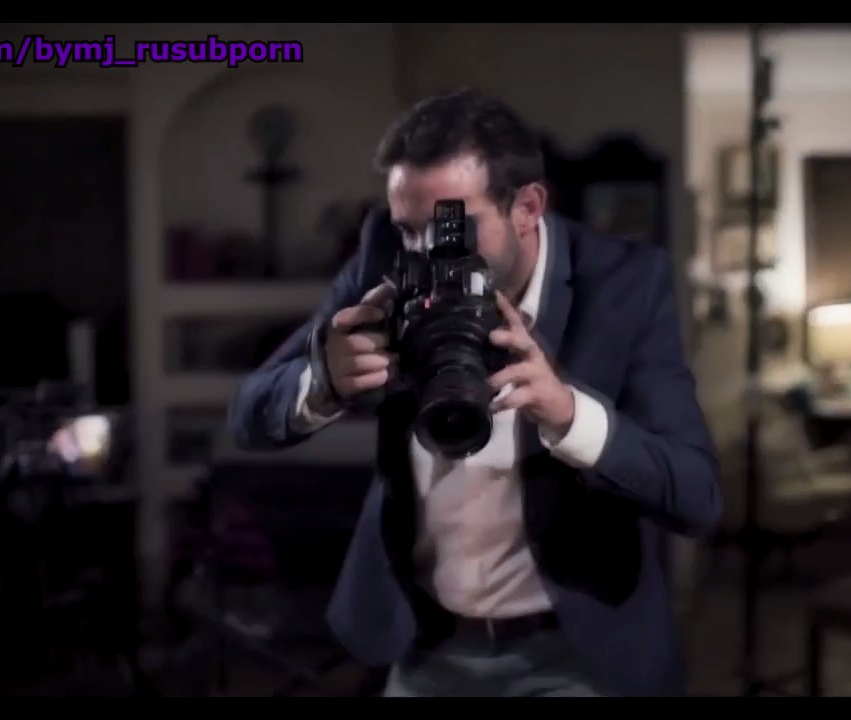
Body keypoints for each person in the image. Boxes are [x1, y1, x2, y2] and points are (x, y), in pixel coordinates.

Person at [228, 89, 723, 697]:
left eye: (453, 228)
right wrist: (324, 380)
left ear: (528, 207)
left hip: (574, 653)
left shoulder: (626, 283)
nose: (429, 254)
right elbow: (249, 415)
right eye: (409, 230)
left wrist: (568, 415)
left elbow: (696, 496)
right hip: (426, 642)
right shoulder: (387, 255)